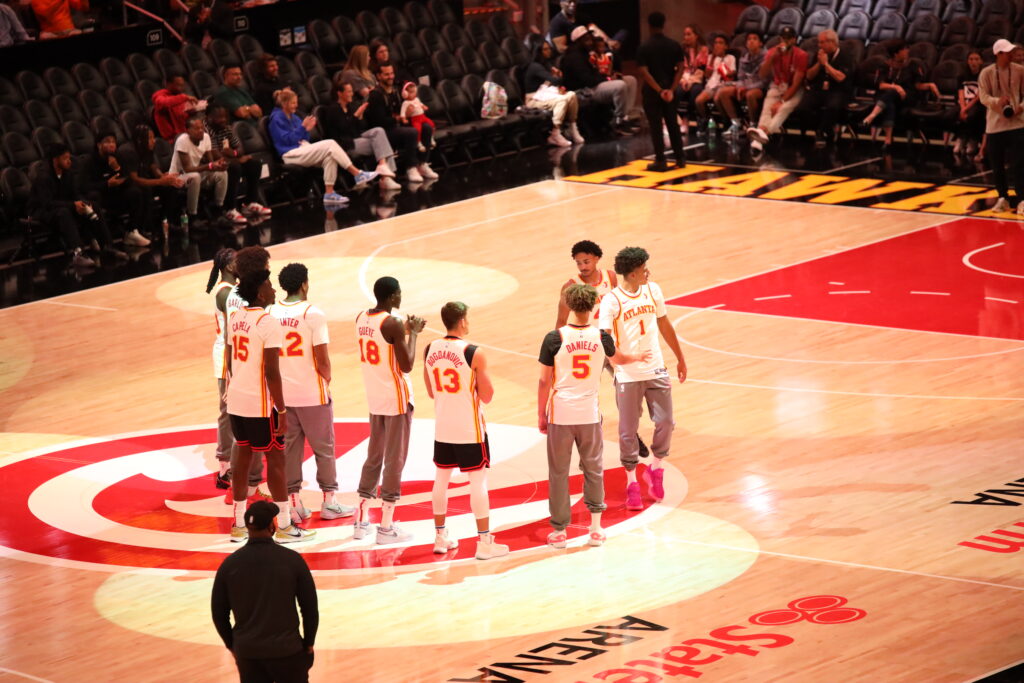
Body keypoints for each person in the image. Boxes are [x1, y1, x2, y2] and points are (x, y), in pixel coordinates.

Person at [538, 284, 648, 548]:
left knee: (558, 472)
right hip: (589, 414)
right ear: (593, 306)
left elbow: (544, 382)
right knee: (593, 470)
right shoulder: (602, 337)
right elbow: (619, 359)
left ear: (570, 306)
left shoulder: (555, 338)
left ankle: (560, 532)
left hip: (561, 414)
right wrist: (638, 356)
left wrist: (540, 414)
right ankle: (596, 529)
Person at [226, 268, 317, 543]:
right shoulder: (267, 322)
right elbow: (271, 372)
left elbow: (229, 361)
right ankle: (286, 525)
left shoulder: (235, 318)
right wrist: (282, 409)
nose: (274, 290)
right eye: (268, 285)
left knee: (242, 460)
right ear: (259, 291)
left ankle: (239, 523)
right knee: (276, 460)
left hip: (236, 399)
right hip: (260, 404)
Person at [598, 247, 687, 510]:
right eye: (645, 269)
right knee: (628, 431)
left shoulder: (653, 290)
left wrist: (680, 357)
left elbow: (664, 323)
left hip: (656, 368)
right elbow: (604, 338)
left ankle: (655, 469)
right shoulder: (612, 301)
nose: (649, 272)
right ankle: (631, 482)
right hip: (627, 374)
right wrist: (622, 360)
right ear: (634, 273)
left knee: (667, 422)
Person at [267, 263, 355, 525]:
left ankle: (294, 506)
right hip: (311, 393)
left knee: (290, 451)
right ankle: (329, 503)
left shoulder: (269, 311)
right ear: (305, 283)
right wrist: (326, 378)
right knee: (324, 449)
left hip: (283, 395)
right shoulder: (313, 313)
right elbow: (322, 359)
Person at [423, 302, 509, 560]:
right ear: (461, 321)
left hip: (442, 427)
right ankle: (484, 543)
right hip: (469, 429)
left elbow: (430, 391)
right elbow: (488, 395)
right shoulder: (474, 352)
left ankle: (440, 537)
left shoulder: (429, 349)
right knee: (478, 482)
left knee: (441, 480)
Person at [556, 240, 651, 458]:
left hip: (612, 343)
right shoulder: (570, 286)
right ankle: (584, 451)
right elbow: (561, 320)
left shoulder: (611, 277)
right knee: (584, 396)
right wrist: (559, 349)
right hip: (587, 346)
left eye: (586, 261)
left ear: (597, 258)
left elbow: (623, 304)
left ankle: (632, 435)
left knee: (626, 393)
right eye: (578, 263)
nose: (582, 266)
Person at [211, 501, 318, 683]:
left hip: (249, 653)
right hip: (287, 650)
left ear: (247, 527)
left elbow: (218, 613)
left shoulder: (229, 565)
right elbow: (309, 608)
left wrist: (233, 645)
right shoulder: (292, 560)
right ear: (272, 526)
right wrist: (308, 643)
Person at [353, 276, 426, 544]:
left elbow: (385, 337)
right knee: (394, 461)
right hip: (396, 398)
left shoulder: (361, 317)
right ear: (394, 296)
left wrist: (404, 329)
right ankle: (385, 526)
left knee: (374, 457)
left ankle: (361, 522)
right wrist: (414, 333)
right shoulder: (393, 323)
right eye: (400, 293)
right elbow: (406, 365)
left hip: (375, 397)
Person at [267, 88, 379, 206]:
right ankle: (357, 173)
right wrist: (303, 128)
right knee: (330, 143)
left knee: (330, 156)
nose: (297, 105)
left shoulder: (294, 117)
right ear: (284, 104)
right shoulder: (276, 119)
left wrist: (306, 130)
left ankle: (329, 194)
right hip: (289, 153)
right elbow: (287, 141)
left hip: (302, 148)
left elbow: (303, 138)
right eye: (293, 103)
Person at [29, 143, 115, 267]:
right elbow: (47, 203)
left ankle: (108, 245)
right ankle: (78, 253)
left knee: (93, 205)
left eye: (69, 158)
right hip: (41, 211)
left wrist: (82, 203)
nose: (69, 161)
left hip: (62, 206)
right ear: (55, 159)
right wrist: (72, 205)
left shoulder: (67, 173)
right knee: (64, 213)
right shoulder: (44, 177)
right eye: (65, 158)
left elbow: (75, 194)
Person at [364, 62, 438, 183]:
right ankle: (411, 167)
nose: (390, 76)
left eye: (392, 73)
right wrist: (400, 117)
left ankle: (422, 164)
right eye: (386, 74)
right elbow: (379, 121)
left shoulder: (397, 90)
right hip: (385, 131)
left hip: (399, 125)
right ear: (379, 76)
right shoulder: (376, 95)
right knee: (411, 132)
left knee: (426, 127)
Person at [80, 132, 152, 247]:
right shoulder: (89, 162)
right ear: (99, 145)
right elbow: (84, 186)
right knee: (94, 195)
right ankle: (97, 237)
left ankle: (132, 231)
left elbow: (128, 180)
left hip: (116, 195)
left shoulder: (118, 158)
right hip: (101, 198)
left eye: (113, 142)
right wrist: (107, 184)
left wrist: (117, 168)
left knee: (136, 191)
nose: (112, 145)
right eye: (108, 142)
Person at [205, 104, 271, 224]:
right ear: (209, 117)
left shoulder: (225, 127)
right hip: (211, 166)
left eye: (224, 116)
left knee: (254, 164)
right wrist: (237, 159)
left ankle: (249, 203)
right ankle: (230, 209)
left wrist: (234, 153)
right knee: (234, 168)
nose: (223, 120)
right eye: (219, 117)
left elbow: (240, 148)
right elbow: (215, 155)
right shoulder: (206, 131)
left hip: (229, 160)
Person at [561, 27, 634, 134]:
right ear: (578, 42)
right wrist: (607, 79)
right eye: (586, 40)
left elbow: (595, 74)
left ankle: (625, 117)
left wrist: (610, 75)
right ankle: (618, 122)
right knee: (620, 86)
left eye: (590, 39)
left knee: (631, 80)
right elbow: (587, 80)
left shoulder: (586, 54)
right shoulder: (574, 57)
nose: (590, 42)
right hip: (584, 91)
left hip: (594, 85)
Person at [980, 38, 1024, 216]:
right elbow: (983, 96)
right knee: (997, 165)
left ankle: (1022, 199)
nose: (1012, 54)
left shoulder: (1021, 71)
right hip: (995, 125)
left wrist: (1020, 107)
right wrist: (998, 102)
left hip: (1018, 123)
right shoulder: (986, 73)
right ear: (998, 54)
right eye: (1008, 52)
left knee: (1020, 165)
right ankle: (1002, 197)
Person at [636, 12, 685, 171]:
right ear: (664, 24)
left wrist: (659, 90)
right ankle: (680, 158)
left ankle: (660, 159)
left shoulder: (644, 47)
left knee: (656, 125)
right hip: (670, 90)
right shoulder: (674, 45)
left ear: (649, 25)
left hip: (653, 92)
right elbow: (681, 68)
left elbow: (644, 71)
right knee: (673, 123)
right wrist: (671, 89)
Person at [747, 26, 807, 153]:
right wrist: (772, 58)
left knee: (783, 108)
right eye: (783, 38)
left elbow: (796, 84)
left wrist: (781, 101)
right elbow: (762, 74)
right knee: (767, 109)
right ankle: (761, 136)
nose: (785, 41)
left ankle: (763, 134)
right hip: (777, 85)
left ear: (794, 40)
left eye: (788, 39)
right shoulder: (772, 52)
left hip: (794, 88)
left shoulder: (801, 55)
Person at [207, 248, 237, 489]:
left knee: (237, 410)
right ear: (228, 267)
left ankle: (237, 461)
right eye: (238, 261)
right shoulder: (225, 292)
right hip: (227, 356)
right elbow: (231, 331)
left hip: (237, 353)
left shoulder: (232, 290)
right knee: (227, 412)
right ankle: (224, 468)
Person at [122, 125, 187, 230]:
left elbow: (153, 166)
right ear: (139, 140)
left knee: (171, 187)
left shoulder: (147, 148)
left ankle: (165, 221)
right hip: (129, 186)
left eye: (153, 137)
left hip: (146, 180)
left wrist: (163, 176)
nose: (154, 141)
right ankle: (145, 228)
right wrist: (160, 181)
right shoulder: (129, 152)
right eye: (150, 138)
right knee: (145, 190)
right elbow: (135, 180)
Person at [861, 40, 922, 150]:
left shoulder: (912, 64)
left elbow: (917, 85)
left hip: (906, 96)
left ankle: (872, 115)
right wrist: (896, 87)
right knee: (890, 101)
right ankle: (888, 141)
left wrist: (931, 86)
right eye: (904, 49)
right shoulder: (885, 65)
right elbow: (880, 85)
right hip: (889, 96)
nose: (907, 51)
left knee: (890, 95)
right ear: (896, 53)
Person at [523, 39, 584, 148]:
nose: (548, 51)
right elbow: (555, 80)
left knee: (571, 95)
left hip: (543, 96)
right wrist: (557, 76)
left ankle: (573, 128)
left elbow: (550, 82)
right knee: (562, 100)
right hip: (533, 100)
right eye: (545, 49)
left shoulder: (546, 64)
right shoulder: (535, 66)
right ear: (539, 52)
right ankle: (555, 134)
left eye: (549, 48)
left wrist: (555, 78)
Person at [169, 114, 229, 225]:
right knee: (195, 176)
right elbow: (187, 169)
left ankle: (218, 209)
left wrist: (218, 165)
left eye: (202, 127)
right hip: (179, 176)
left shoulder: (206, 137)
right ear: (188, 130)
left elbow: (210, 163)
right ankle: (193, 216)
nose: (201, 130)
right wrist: (209, 166)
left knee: (222, 174)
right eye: (197, 128)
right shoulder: (182, 141)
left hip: (196, 173)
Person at [801, 29, 854, 148]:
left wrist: (826, 64)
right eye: (819, 42)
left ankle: (821, 132)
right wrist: (819, 63)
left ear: (833, 42)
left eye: (822, 42)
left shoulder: (846, 55)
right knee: (803, 107)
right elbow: (809, 76)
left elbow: (840, 78)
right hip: (820, 89)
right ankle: (822, 130)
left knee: (833, 106)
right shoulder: (819, 54)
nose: (819, 45)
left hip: (839, 90)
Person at [716, 32, 768, 139]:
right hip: (746, 86)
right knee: (723, 92)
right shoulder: (744, 58)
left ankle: (753, 125)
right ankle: (737, 124)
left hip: (761, 87)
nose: (751, 41)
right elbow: (740, 78)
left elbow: (764, 81)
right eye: (749, 39)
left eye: (755, 39)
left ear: (761, 43)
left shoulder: (766, 57)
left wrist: (745, 88)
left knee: (750, 95)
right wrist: (740, 87)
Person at [694, 34, 736, 129]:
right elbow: (707, 75)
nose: (717, 45)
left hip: (723, 85)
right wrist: (713, 57)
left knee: (717, 99)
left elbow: (733, 72)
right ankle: (708, 119)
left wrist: (727, 72)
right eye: (716, 43)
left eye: (720, 43)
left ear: (726, 46)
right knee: (699, 101)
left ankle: (726, 121)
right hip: (711, 85)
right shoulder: (711, 58)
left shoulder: (730, 57)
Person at [675, 24, 708, 135]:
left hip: (697, 79)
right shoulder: (682, 49)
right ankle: (678, 118)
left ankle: (691, 117)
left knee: (695, 91)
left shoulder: (703, 50)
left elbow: (701, 70)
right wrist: (684, 80)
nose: (686, 37)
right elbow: (681, 69)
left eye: (689, 34)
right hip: (684, 78)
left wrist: (690, 81)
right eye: (685, 35)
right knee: (678, 90)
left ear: (696, 36)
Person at [954, 51, 985, 157]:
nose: (973, 62)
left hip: (977, 103)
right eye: (971, 59)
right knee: (951, 114)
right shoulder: (962, 75)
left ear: (981, 61)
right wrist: (963, 108)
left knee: (972, 115)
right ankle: (961, 138)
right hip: (964, 103)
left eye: (976, 59)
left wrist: (966, 108)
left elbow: (979, 96)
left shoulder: (984, 75)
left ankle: (973, 140)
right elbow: (960, 93)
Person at [152, 75, 199, 141]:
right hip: (172, 140)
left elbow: (180, 117)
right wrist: (184, 97)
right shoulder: (160, 94)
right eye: (178, 85)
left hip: (185, 135)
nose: (181, 88)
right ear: (168, 84)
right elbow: (162, 103)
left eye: (182, 85)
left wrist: (190, 113)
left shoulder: (178, 96)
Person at [252, 54, 299, 119]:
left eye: (276, 65)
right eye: (271, 66)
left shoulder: (282, 81)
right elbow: (268, 113)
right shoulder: (261, 89)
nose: (276, 68)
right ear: (263, 69)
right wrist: (282, 98)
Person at [399, 81, 434, 153]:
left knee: (431, 124)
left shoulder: (417, 99)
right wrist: (404, 118)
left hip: (423, 117)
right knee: (418, 130)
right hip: (415, 119)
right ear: (405, 94)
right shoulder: (405, 103)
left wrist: (424, 106)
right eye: (411, 92)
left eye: (414, 92)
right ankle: (419, 143)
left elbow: (420, 104)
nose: (413, 94)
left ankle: (431, 138)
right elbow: (402, 112)